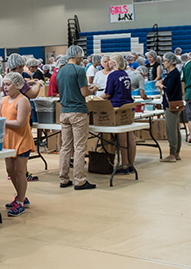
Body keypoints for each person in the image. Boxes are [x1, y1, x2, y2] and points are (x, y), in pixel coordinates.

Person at [0, 72, 33, 216]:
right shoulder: (3, 100)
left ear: (18, 85)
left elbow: (19, 123)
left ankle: (20, 201)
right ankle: (21, 196)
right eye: (4, 84)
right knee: (10, 170)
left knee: (20, 171)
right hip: (7, 140)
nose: (5, 87)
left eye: (8, 84)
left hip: (21, 140)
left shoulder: (23, 101)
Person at [57, 45, 97, 190]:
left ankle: (63, 178)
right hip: (78, 112)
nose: (82, 58)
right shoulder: (79, 70)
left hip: (64, 112)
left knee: (65, 147)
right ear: (77, 55)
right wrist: (93, 89)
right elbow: (84, 93)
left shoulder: (60, 71)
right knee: (79, 147)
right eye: (81, 56)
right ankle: (80, 180)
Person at [101, 53, 136, 172]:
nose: (108, 62)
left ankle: (124, 164)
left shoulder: (113, 75)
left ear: (114, 63)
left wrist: (96, 98)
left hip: (117, 107)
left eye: (110, 60)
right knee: (130, 136)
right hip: (128, 106)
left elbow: (107, 94)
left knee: (122, 138)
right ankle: (131, 164)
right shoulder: (125, 74)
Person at [157, 52, 183, 163]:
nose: (163, 63)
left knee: (171, 130)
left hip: (171, 104)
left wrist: (160, 85)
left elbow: (169, 90)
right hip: (176, 103)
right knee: (175, 129)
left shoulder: (173, 74)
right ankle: (176, 152)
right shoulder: (173, 74)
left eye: (165, 61)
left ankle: (172, 154)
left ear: (171, 61)